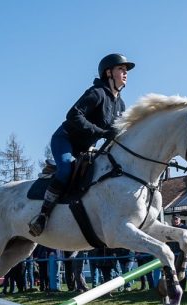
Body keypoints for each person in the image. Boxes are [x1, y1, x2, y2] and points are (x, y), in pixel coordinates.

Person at [29, 53, 135, 236]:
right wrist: (102, 133)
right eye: (121, 69)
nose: (125, 73)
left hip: (86, 149)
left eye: (126, 71)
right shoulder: (96, 93)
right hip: (65, 140)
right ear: (109, 73)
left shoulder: (121, 104)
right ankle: (42, 215)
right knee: (66, 170)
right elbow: (73, 115)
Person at [167, 214, 187, 291]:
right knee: (172, 272)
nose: (175, 220)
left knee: (181, 271)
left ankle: (182, 289)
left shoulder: (184, 228)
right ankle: (174, 288)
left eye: (176, 219)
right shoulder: (170, 229)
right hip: (172, 254)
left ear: (180, 219)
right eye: (173, 219)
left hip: (182, 253)